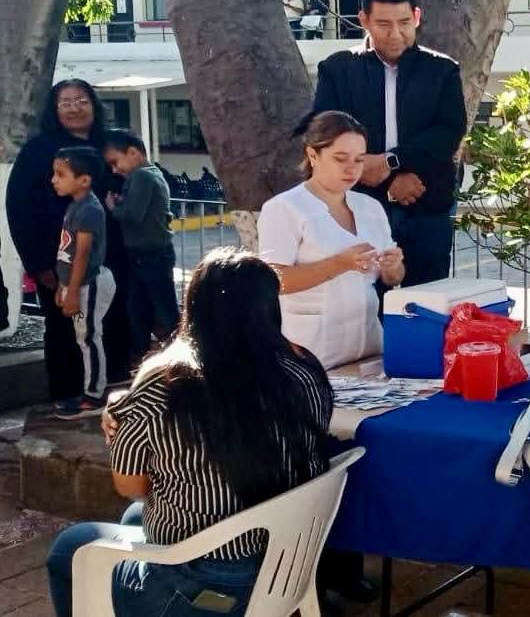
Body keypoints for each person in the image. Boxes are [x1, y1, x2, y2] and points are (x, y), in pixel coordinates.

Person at [45, 248, 334, 617]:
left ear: (194, 308)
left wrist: (129, 417)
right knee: (134, 517)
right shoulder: (305, 370)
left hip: (201, 586)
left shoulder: (164, 386)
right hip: (285, 565)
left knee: (69, 548)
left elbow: (131, 485)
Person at [313, 0, 466, 287]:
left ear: (417, 17)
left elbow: (448, 133)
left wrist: (391, 161)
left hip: (427, 207)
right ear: (364, 20)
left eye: (404, 23)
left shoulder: (442, 70)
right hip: (360, 210)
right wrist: (390, 181)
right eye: (383, 24)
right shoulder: (338, 70)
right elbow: (326, 135)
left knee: (426, 301)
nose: (395, 34)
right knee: (366, 301)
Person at [6, 79, 131, 402]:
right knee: (66, 331)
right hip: (59, 262)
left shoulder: (112, 144)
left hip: (113, 261)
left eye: (82, 100)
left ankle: (112, 395)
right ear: (54, 109)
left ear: (94, 105)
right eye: (66, 102)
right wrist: (38, 264)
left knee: (114, 325)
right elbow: (19, 208)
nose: (75, 108)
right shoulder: (39, 151)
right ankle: (68, 397)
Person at [258, 110, 405, 372]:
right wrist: (340, 264)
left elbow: (393, 278)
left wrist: (393, 266)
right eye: (340, 158)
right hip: (314, 353)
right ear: (312, 155)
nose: (351, 169)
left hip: (370, 347)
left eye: (359, 160)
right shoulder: (283, 208)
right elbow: (274, 280)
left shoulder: (370, 207)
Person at [103, 130, 179, 363]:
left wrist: (113, 207)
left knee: (160, 311)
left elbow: (133, 214)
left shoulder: (141, 177)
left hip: (150, 255)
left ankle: (174, 356)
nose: (114, 170)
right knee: (141, 309)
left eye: (115, 162)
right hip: (148, 254)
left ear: (133, 153)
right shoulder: (152, 173)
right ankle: (148, 356)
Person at [51, 147, 116, 420]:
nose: (54, 180)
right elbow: (66, 253)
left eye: (60, 174)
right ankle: (91, 390)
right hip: (78, 285)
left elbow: (82, 254)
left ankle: (94, 396)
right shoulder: (75, 206)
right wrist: (62, 286)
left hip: (89, 284)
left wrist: (73, 292)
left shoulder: (89, 209)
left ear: (84, 180)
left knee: (89, 337)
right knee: (84, 337)